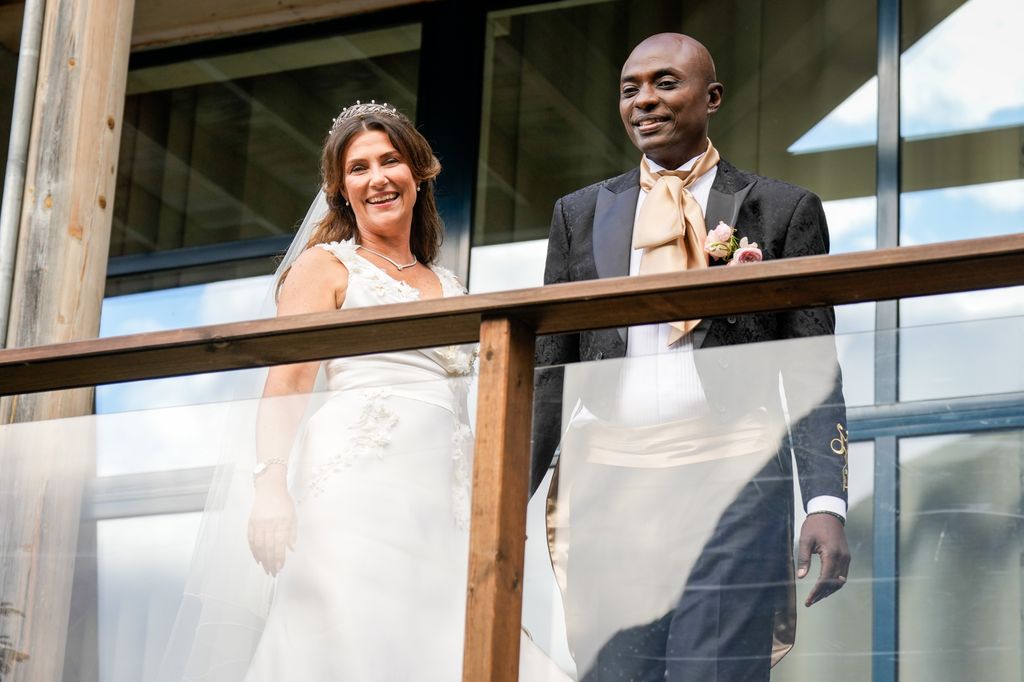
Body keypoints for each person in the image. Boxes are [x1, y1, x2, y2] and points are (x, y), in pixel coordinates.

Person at [532, 33, 851, 681]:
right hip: (609, 488)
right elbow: (550, 375)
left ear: (713, 97)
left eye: (666, 83)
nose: (644, 100)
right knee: (615, 673)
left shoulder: (782, 209)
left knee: (714, 670)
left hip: (734, 480)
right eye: (630, 89)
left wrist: (825, 500)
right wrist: (506, 495)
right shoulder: (577, 215)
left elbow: (811, 366)